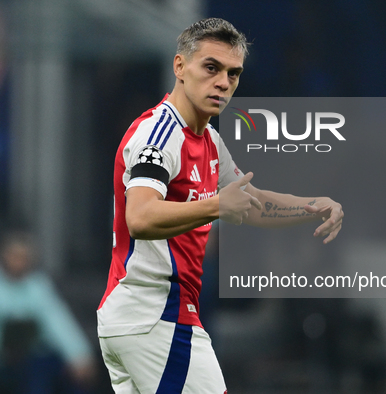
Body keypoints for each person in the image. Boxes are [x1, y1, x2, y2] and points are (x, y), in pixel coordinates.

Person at [97, 17, 344, 393]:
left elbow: (251, 203)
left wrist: (312, 206)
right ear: (180, 66)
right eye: (211, 68)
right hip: (155, 318)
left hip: (144, 320)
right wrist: (215, 206)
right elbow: (141, 217)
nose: (223, 83)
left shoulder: (209, 139)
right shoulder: (159, 134)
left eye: (233, 73)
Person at [0, 229, 96, 394]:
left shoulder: (37, 285)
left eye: (25, 257)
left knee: (68, 375)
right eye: (15, 255)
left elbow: (58, 321)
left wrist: (79, 355)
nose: (20, 261)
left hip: (35, 358)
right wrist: (0, 347)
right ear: (1, 254)